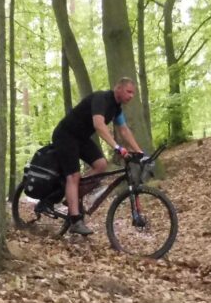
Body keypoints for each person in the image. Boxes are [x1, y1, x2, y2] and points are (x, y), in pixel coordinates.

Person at [50, 77, 143, 235]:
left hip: (81, 138)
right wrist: (117, 147)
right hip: (65, 135)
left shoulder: (117, 108)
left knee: (101, 165)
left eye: (133, 93)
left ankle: (72, 198)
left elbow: (124, 130)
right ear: (118, 88)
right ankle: (75, 220)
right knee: (73, 175)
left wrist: (139, 151)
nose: (131, 96)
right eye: (129, 91)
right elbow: (99, 125)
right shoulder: (102, 98)